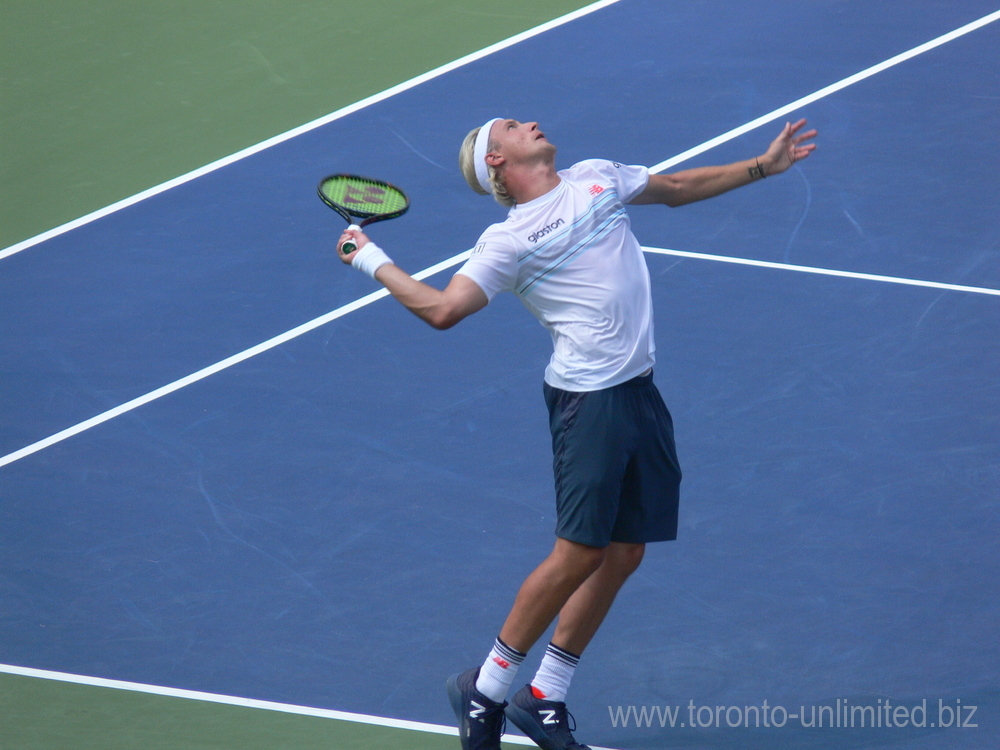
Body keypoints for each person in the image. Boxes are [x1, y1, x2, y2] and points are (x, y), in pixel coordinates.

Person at [336, 116, 817, 750]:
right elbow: (444, 309)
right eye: (512, 126)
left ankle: (546, 695)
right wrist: (370, 258)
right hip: (589, 404)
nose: (530, 123)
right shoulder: (507, 241)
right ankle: (485, 690)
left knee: (625, 551)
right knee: (578, 554)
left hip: (640, 390)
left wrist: (762, 165)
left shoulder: (595, 177)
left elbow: (675, 186)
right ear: (499, 163)